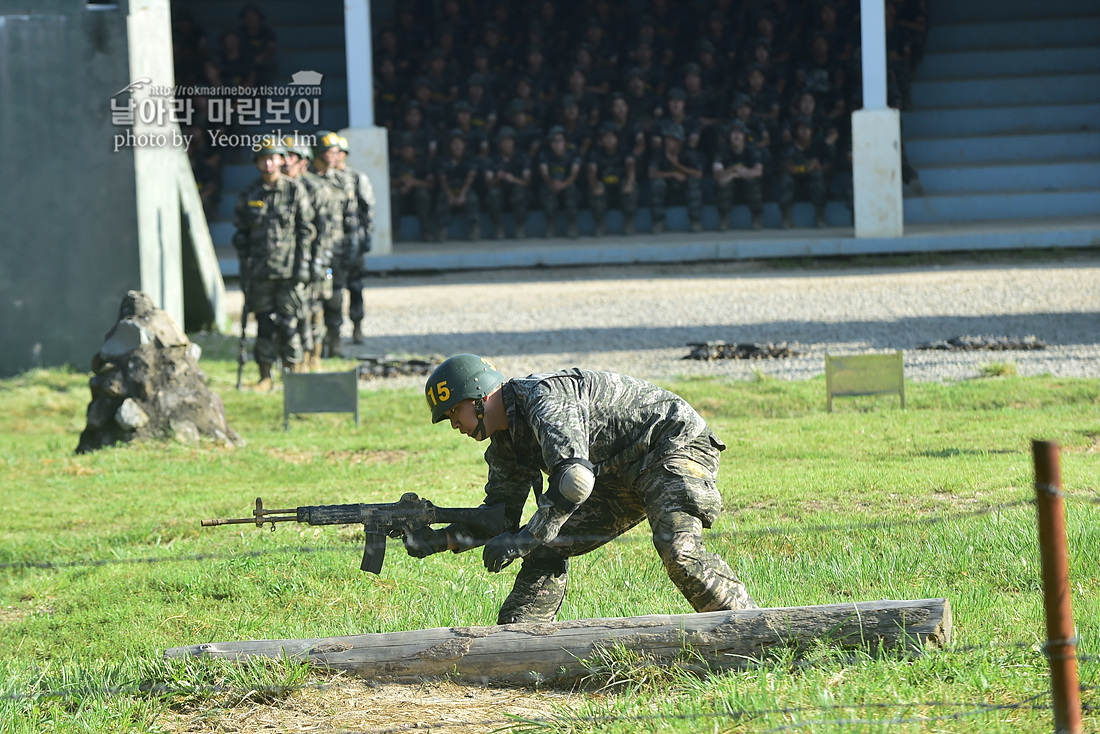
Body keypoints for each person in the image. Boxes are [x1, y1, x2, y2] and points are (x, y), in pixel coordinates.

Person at [409, 354, 760, 625]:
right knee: (545, 547)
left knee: (680, 553)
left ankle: (757, 632)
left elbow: (575, 482)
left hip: (670, 446)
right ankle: (521, 645)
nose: (454, 424)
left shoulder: (544, 400)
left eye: (455, 412)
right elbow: (497, 520)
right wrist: (437, 540)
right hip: (617, 472)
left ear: (479, 398)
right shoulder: (505, 445)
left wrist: (524, 539)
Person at [232, 138, 315, 389]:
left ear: (282, 160)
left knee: (290, 323)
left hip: (289, 271)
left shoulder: (294, 190)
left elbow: (306, 230)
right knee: (265, 325)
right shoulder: (249, 194)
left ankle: (292, 374)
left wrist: (303, 265)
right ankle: (265, 375)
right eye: (263, 159)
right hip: (260, 272)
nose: (268, 163)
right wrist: (245, 265)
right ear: (257, 163)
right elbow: (241, 233)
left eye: (273, 158)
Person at [282, 137, 334, 370]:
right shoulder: (282, 189)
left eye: (291, 156)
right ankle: (294, 359)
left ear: (303, 161)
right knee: (292, 312)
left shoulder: (316, 189)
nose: (285, 161)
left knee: (313, 311)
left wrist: (318, 261)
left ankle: (314, 355)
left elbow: (325, 230)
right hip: (288, 263)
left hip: (313, 262)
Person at [311, 131, 359, 357]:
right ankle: (315, 344)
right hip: (312, 250)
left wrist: (352, 244)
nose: (334, 156)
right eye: (330, 152)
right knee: (314, 298)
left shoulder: (341, 180)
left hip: (337, 249)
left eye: (336, 152)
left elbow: (351, 214)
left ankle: (335, 341)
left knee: (335, 297)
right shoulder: (306, 180)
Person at [335, 136, 375, 345]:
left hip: (352, 242)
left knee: (355, 285)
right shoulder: (322, 179)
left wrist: (366, 236)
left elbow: (367, 210)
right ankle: (332, 331)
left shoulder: (356, 178)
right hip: (331, 244)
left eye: (337, 152)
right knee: (331, 289)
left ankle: (357, 325)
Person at [648, 123, 703, 233]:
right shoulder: (660, 153)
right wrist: (673, 174)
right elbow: (651, 174)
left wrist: (677, 165)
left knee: (693, 183)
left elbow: (698, 174)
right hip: (667, 190)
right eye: (667, 138)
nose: (668, 142)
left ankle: (695, 221)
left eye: (672, 139)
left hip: (684, 190)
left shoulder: (688, 153)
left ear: (679, 141)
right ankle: (658, 222)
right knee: (657, 184)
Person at [587, 122, 637, 236]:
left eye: (612, 136)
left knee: (631, 185)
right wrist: (595, 186)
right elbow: (591, 170)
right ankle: (600, 224)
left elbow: (631, 165)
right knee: (595, 188)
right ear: (601, 140)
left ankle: (629, 222)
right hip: (604, 189)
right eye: (605, 136)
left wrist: (629, 184)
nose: (609, 139)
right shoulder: (595, 153)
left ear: (617, 138)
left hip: (621, 187)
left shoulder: (624, 150)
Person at [713, 121, 765, 231]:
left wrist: (734, 175)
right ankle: (724, 219)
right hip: (730, 189)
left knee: (753, 182)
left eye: (740, 133)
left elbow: (758, 171)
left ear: (744, 135)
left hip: (747, 187)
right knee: (723, 183)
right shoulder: (722, 150)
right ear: (729, 135)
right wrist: (733, 169)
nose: (737, 136)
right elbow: (717, 174)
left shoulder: (751, 149)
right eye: (734, 133)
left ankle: (756, 218)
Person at [485, 126, 532, 239]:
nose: (507, 144)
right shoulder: (492, 159)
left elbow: (527, 182)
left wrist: (513, 179)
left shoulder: (522, 157)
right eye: (503, 141)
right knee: (493, 194)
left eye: (509, 141)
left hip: (517, 189)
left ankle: (520, 226)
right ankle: (498, 227)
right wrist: (498, 178)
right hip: (500, 189)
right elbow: (488, 184)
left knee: (520, 194)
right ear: (499, 144)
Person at [435, 129, 482, 242]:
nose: (457, 146)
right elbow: (442, 179)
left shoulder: (470, 158)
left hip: (464, 188)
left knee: (472, 199)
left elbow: (471, 176)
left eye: (460, 143)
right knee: (442, 199)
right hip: (449, 188)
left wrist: (463, 194)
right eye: (454, 143)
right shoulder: (443, 159)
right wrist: (450, 194)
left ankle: (474, 229)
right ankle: (442, 229)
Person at [537, 126, 582, 239]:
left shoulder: (573, 153)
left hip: (567, 184)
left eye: (560, 141)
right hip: (552, 185)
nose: (557, 144)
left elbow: (574, 174)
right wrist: (553, 182)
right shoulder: (544, 154)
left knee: (571, 189)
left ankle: (572, 226)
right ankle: (551, 226)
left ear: (565, 142)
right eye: (554, 141)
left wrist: (563, 184)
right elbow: (544, 173)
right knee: (546, 190)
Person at [391, 132, 436, 242]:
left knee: (422, 194)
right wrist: (400, 181)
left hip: (419, 202)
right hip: (402, 201)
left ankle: (426, 232)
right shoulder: (395, 164)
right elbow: (387, 182)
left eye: (409, 148)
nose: (407, 151)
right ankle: (393, 232)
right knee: (393, 195)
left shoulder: (423, 163)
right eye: (404, 148)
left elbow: (431, 184)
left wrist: (412, 183)